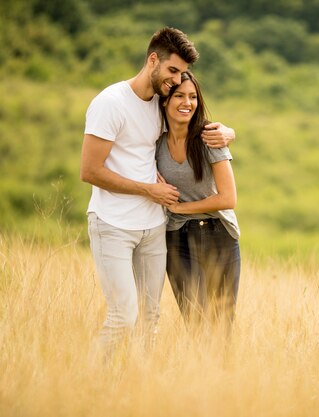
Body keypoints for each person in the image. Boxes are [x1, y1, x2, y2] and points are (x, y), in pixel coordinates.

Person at [80, 28, 235, 354]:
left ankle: (141, 388)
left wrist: (228, 132)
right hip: (113, 222)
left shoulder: (158, 104)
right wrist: (148, 190)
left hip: (154, 228)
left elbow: (191, 121)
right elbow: (89, 171)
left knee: (151, 318)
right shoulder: (110, 103)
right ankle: (88, 382)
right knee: (123, 316)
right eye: (172, 71)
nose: (177, 82)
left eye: (180, 74)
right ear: (153, 59)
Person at [156, 71, 241, 332]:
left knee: (221, 327)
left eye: (193, 97)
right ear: (164, 102)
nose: (187, 103)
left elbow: (228, 199)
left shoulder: (210, 137)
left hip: (220, 236)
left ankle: (220, 374)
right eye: (179, 96)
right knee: (196, 322)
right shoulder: (155, 142)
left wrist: (179, 207)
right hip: (177, 237)